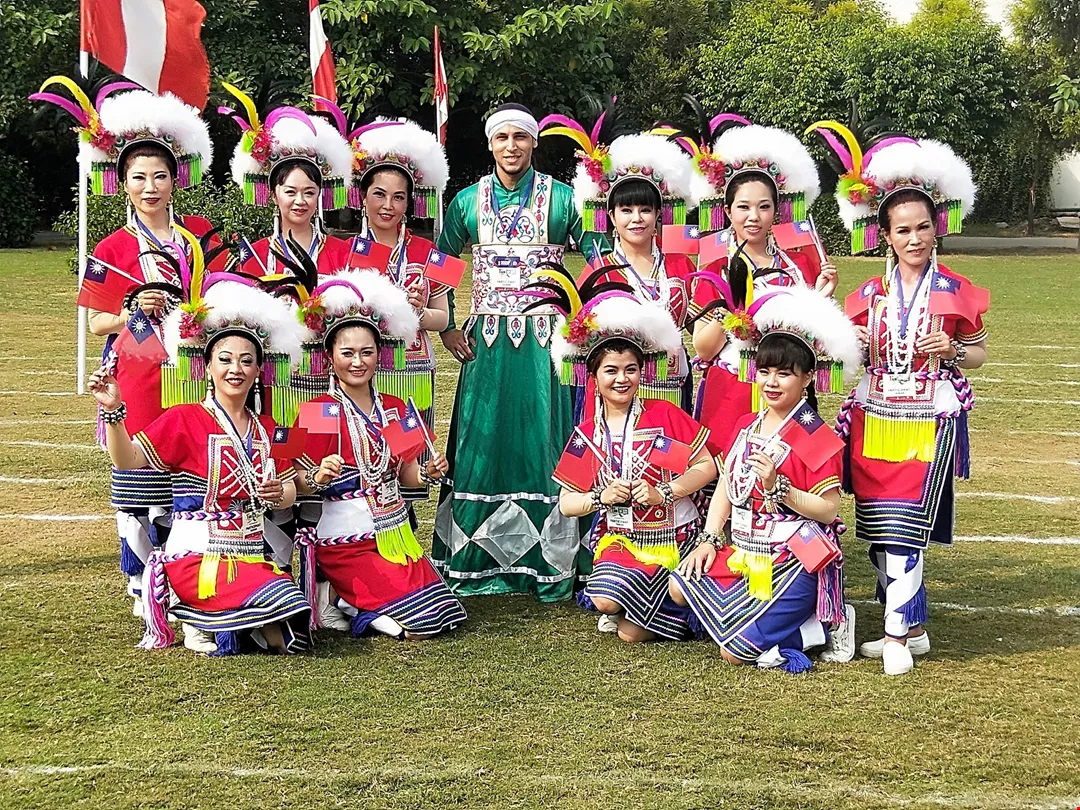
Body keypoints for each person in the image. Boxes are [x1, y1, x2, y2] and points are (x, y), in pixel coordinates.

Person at [33, 80, 221, 615]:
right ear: (122, 183)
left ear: (176, 178)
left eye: (159, 175)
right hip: (136, 369)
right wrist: (135, 308)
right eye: (138, 177)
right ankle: (141, 579)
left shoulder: (201, 235)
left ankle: (185, 570)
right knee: (137, 476)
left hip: (191, 367)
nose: (150, 187)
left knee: (188, 467)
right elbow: (97, 324)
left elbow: (224, 295)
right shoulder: (112, 246)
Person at [818, 126, 988, 675]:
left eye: (922, 228)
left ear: (937, 228)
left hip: (928, 418)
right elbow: (837, 354)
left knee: (905, 529)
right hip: (873, 418)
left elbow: (979, 353)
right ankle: (913, 629)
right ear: (885, 235)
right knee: (877, 529)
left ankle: (894, 634)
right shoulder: (868, 294)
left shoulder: (956, 288)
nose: (914, 239)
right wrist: (849, 337)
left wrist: (953, 349)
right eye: (903, 230)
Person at [88, 246, 312, 655]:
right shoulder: (183, 417)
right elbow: (127, 460)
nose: (235, 369)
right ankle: (194, 609)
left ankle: (225, 620)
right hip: (197, 557)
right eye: (225, 359)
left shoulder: (271, 427)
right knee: (277, 609)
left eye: (246, 361)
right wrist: (114, 412)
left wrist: (280, 492)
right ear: (206, 365)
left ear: (259, 369)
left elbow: (293, 488)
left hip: (250, 555)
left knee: (294, 623)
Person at [429, 103, 609, 601]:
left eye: (521, 137)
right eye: (502, 137)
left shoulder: (564, 199)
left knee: (544, 439)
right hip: (486, 346)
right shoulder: (467, 201)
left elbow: (599, 258)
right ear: (490, 144)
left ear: (534, 143)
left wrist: (586, 319)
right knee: (482, 440)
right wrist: (447, 327)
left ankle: (550, 560)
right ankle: (474, 558)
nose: (511, 146)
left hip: (545, 345)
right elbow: (441, 262)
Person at [670, 286, 862, 671]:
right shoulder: (746, 424)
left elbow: (828, 511)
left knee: (734, 652)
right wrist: (709, 539)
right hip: (746, 550)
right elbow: (727, 485)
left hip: (794, 559)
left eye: (784, 374)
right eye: (765, 371)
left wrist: (779, 488)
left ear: (808, 378)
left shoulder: (815, 435)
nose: (772, 382)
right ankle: (768, 618)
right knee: (678, 587)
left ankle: (820, 627)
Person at [534, 268, 716, 641]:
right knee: (604, 599)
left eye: (630, 370)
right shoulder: (587, 434)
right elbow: (567, 503)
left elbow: (706, 467)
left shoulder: (664, 415)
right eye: (611, 371)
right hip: (623, 538)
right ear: (594, 377)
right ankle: (644, 601)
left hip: (675, 535)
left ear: (641, 373)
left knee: (631, 635)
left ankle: (668, 602)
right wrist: (600, 497)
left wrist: (665, 492)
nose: (622, 379)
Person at [291, 270, 467, 639]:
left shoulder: (396, 407)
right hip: (346, 541)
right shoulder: (319, 410)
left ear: (379, 355)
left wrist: (428, 473)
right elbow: (296, 481)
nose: (358, 362)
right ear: (329, 357)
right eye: (347, 353)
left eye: (367, 352)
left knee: (443, 613)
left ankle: (351, 602)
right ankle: (345, 599)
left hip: (393, 535)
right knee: (417, 624)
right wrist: (318, 477)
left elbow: (407, 475)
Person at [688, 122, 837, 453]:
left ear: (776, 210)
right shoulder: (715, 265)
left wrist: (822, 298)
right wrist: (732, 310)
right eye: (743, 207)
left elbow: (816, 338)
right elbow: (703, 349)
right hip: (732, 388)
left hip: (789, 390)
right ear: (727, 210)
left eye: (764, 206)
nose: (753, 216)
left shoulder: (800, 264)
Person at [540, 121, 697, 416]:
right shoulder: (598, 271)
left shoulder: (680, 264)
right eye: (626, 210)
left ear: (658, 214)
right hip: (615, 397)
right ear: (611, 216)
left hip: (672, 390)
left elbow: (700, 330)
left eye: (645, 209)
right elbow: (579, 341)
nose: (636, 218)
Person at [347, 117, 451, 500]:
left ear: (411, 200)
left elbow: (443, 318)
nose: (388, 206)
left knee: (407, 461)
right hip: (359, 368)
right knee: (363, 455)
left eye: (399, 197)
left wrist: (418, 311)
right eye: (379, 194)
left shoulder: (429, 251)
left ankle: (404, 522)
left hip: (412, 370)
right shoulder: (343, 251)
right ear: (362, 196)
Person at [221, 86, 353, 278]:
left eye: (309, 192)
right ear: (274, 195)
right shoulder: (254, 256)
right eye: (290, 192)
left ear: (319, 194)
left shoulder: (343, 253)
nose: (300, 201)